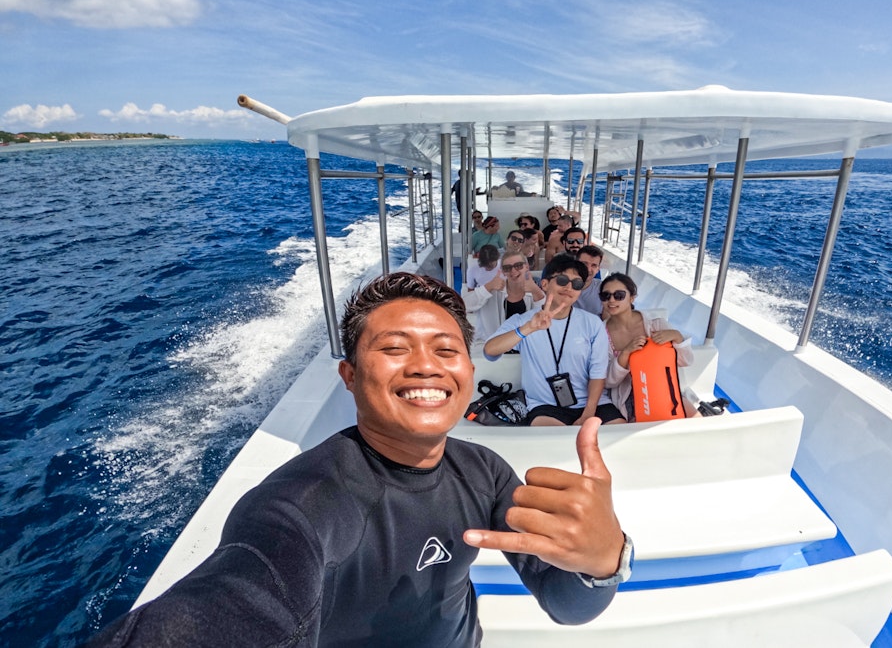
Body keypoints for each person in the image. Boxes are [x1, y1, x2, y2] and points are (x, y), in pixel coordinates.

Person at [89, 272, 630, 646]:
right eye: (395, 349)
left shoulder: (483, 471)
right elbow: (240, 602)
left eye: (446, 350)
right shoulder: (301, 507)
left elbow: (569, 605)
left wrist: (606, 560)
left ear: (468, 372)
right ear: (349, 377)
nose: (426, 367)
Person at [484, 255, 626, 427]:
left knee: (620, 435)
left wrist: (588, 413)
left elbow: (598, 372)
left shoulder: (592, 323)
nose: (569, 287)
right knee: (555, 442)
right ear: (544, 284)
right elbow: (489, 351)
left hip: (593, 404)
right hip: (545, 406)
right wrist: (529, 329)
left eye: (577, 284)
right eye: (562, 280)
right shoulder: (522, 321)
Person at [600, 272, 701, 422]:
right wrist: (626, 353)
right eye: (605, 296)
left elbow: (686, 361)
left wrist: (677, 336)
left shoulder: (656, 324)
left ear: (632, 297)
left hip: (663, 389)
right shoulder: (601, 334)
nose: (611, 300)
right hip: (629, 397)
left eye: (619, 295)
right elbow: (609, 381)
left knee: (697, 423)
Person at [463, 249, 545, 343]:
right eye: (507, 268)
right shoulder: (492, 291)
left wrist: (536, 291)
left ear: (526, 267)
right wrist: (488, 287)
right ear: (503, 271)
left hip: (525, 348)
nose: (513, 271)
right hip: (494, 348)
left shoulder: (534, 292)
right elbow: (464, 306)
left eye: (518, 266)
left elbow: (546, 320)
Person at [574, 245, 604, 316]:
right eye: (584, 263)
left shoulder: (604, 289)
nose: (588, 269)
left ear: (598, 269)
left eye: (594, 265)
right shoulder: (561, 284)